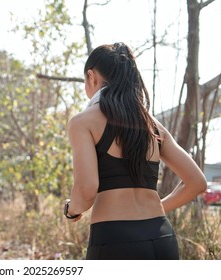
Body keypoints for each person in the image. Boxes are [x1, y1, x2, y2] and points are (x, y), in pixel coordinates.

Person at [63, 42, 207, 260]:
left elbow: (86, 190)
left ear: (91, 77)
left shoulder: (83, 122)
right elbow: (197, 182)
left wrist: (71, 210)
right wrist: (156, 209)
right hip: (162, 238)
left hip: (114, 240)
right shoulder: (153, 126)